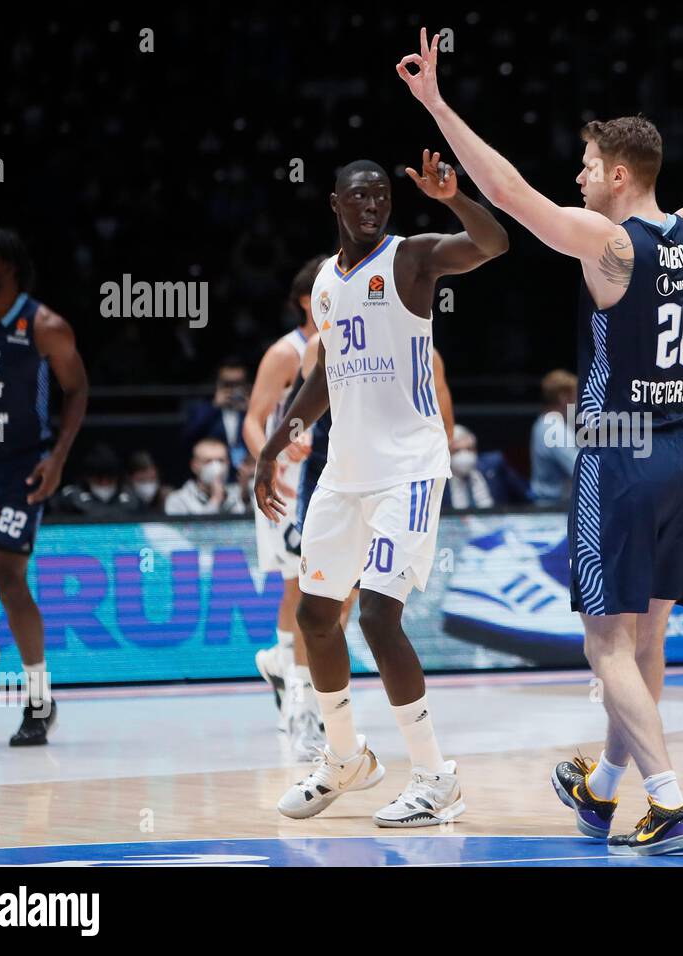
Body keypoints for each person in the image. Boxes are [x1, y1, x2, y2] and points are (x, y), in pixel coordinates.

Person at [397, 28, 683, 854]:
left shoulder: (608, 246)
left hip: (620, 453)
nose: (579, 176)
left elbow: (509, 191)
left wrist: (437, 104)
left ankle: (668, 802)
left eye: (589, 166)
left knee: (605, 644)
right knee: (647, 642)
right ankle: (601, 790)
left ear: (620, 175)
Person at [255, 149, 508, 825]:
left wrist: (454, 197)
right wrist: (278, 440)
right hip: (344, 474)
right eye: (359, 197)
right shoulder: (328, 288)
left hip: (409, 470)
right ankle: (346, 758)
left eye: (380, 198)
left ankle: (435, 778)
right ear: (335, 204)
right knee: (314, 617)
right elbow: (327, 373)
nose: (372, 206)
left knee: (376, 617)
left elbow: (494, 242)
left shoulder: (410, 259)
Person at [0, 227, 89, 745]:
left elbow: (76, 391)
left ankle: (37, 699)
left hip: (20, 469)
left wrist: (57, 458)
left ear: (7, 268)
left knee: (9, 578)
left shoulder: (44, 325)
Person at [243, 256, 324, 760]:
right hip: (288, 482)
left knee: (312, 585)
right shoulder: (286, 352)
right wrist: (268, 459)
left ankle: (281, 660)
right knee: (302, 583)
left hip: (331, 475)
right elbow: (252, 421)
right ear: (303, 298)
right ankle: (299, 696)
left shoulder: (353, 340)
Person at [182, 359, 250, 480]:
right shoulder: (202, 408)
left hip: (245, 475)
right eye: (228, 384)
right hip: (211, 474)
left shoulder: (252, 410)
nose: (233, 389)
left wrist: (251, 410)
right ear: (218, 384)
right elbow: (188, 437)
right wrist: (214, 406)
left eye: (238, 384)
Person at [444, 423, 531, 510]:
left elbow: (525, 493)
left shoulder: (495, 464)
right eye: (457, 451)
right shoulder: (440, 480)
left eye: (469, 449)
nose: (464, 455)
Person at [530, 369, 580, 503]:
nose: (578, 402)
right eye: (576, 396)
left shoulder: (544, 422)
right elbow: (578, 469)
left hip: (551, 506)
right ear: (563, 397)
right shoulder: (554, 428)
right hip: (553, 509)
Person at [54, 442, 143, 517]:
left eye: (109, 479)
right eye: (98, 479)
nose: (104, 483)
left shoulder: (131, 497)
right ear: (87, 477)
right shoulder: (69, 497)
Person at [164, 437, 246, 516]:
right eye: (208, 461)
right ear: (194, 466)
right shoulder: (178, 500)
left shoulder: (239, 495)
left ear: (228, 463)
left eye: (221, 461)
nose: (216, 466)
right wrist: (215, 499)